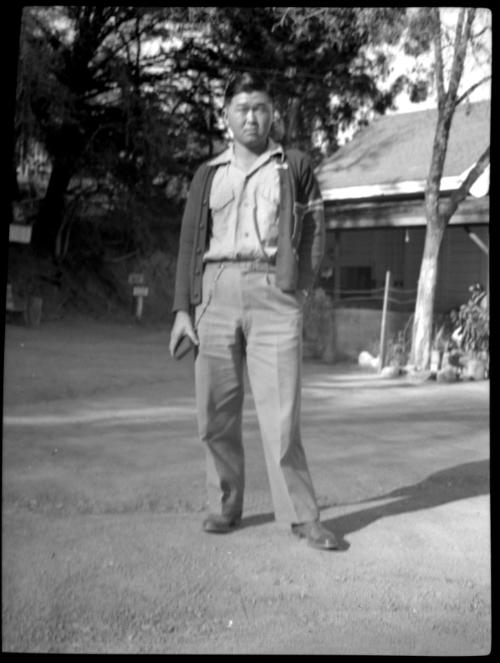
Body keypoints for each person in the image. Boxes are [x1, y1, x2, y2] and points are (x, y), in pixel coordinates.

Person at [169, 71, 338, 550]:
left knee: (282, 415)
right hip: (215, 292)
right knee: (214, 413)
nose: (251, 116)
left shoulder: (295, 166)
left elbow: (316, 234)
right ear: (226, 117)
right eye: (241, 108)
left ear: (273, 114)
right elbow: (187, 244)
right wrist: (183, 309)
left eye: (260, 107)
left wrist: (298, 292)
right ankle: (224, 505)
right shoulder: (207, 175)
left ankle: (303, 517)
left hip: (273, 291)